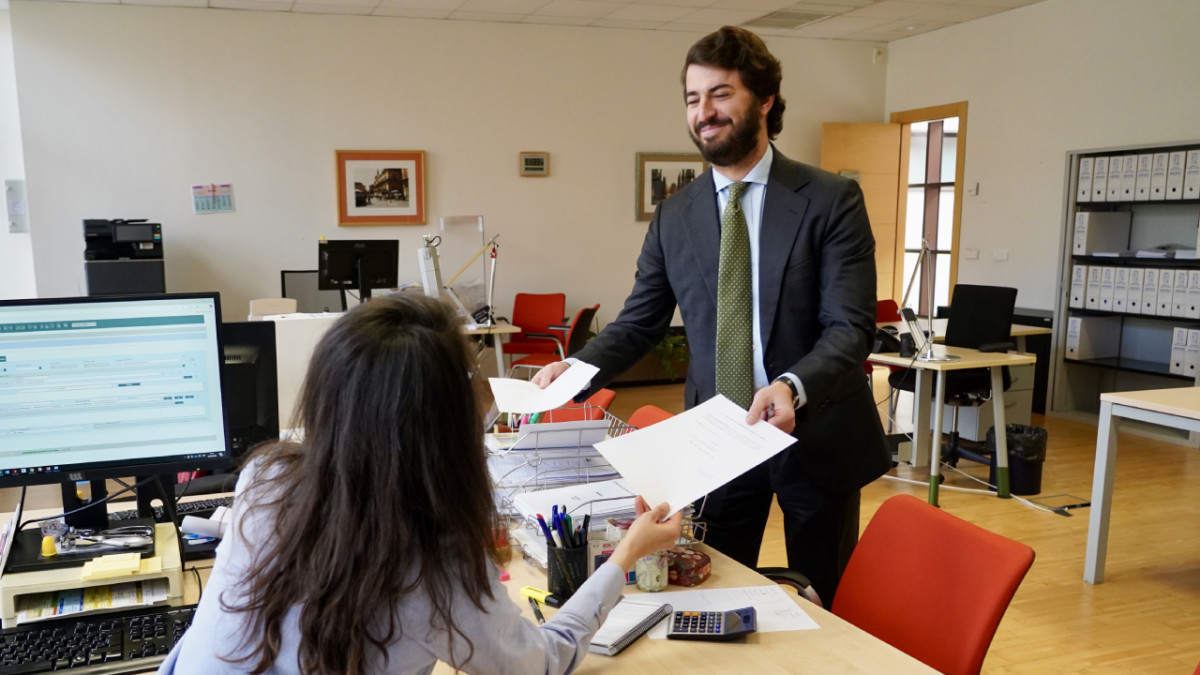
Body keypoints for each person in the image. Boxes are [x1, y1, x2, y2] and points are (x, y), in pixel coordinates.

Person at [533, 26, 891, 604]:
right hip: (719, 438)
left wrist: (792, 385)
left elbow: (850, 326)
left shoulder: (830, 200)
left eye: (721, 94)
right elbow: (639, 323)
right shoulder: (676, 214)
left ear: (765, 100)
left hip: (816, 429)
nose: (704, 112)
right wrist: (574, 369)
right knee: (713, 588)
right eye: (693, 99)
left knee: (827, 600)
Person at [159, 295, 682, 674]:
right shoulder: (434, 557)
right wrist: (623, 557)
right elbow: (541, 664)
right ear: (444, 428)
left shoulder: (264, 478)